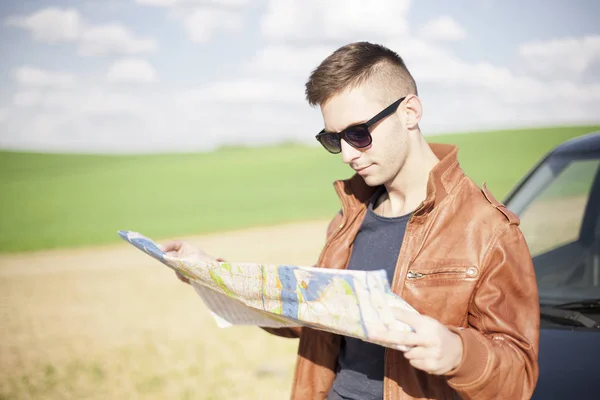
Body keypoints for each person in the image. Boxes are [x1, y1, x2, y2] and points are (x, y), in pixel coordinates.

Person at [163, 41, 540, 400]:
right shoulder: (350, 216)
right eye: (334, 139)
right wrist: (209, 272)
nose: (346, 155)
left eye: (358, 134)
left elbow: (519, 376)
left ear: (409, 112)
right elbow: (309, 312)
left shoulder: (489, 230)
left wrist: (459, 353)